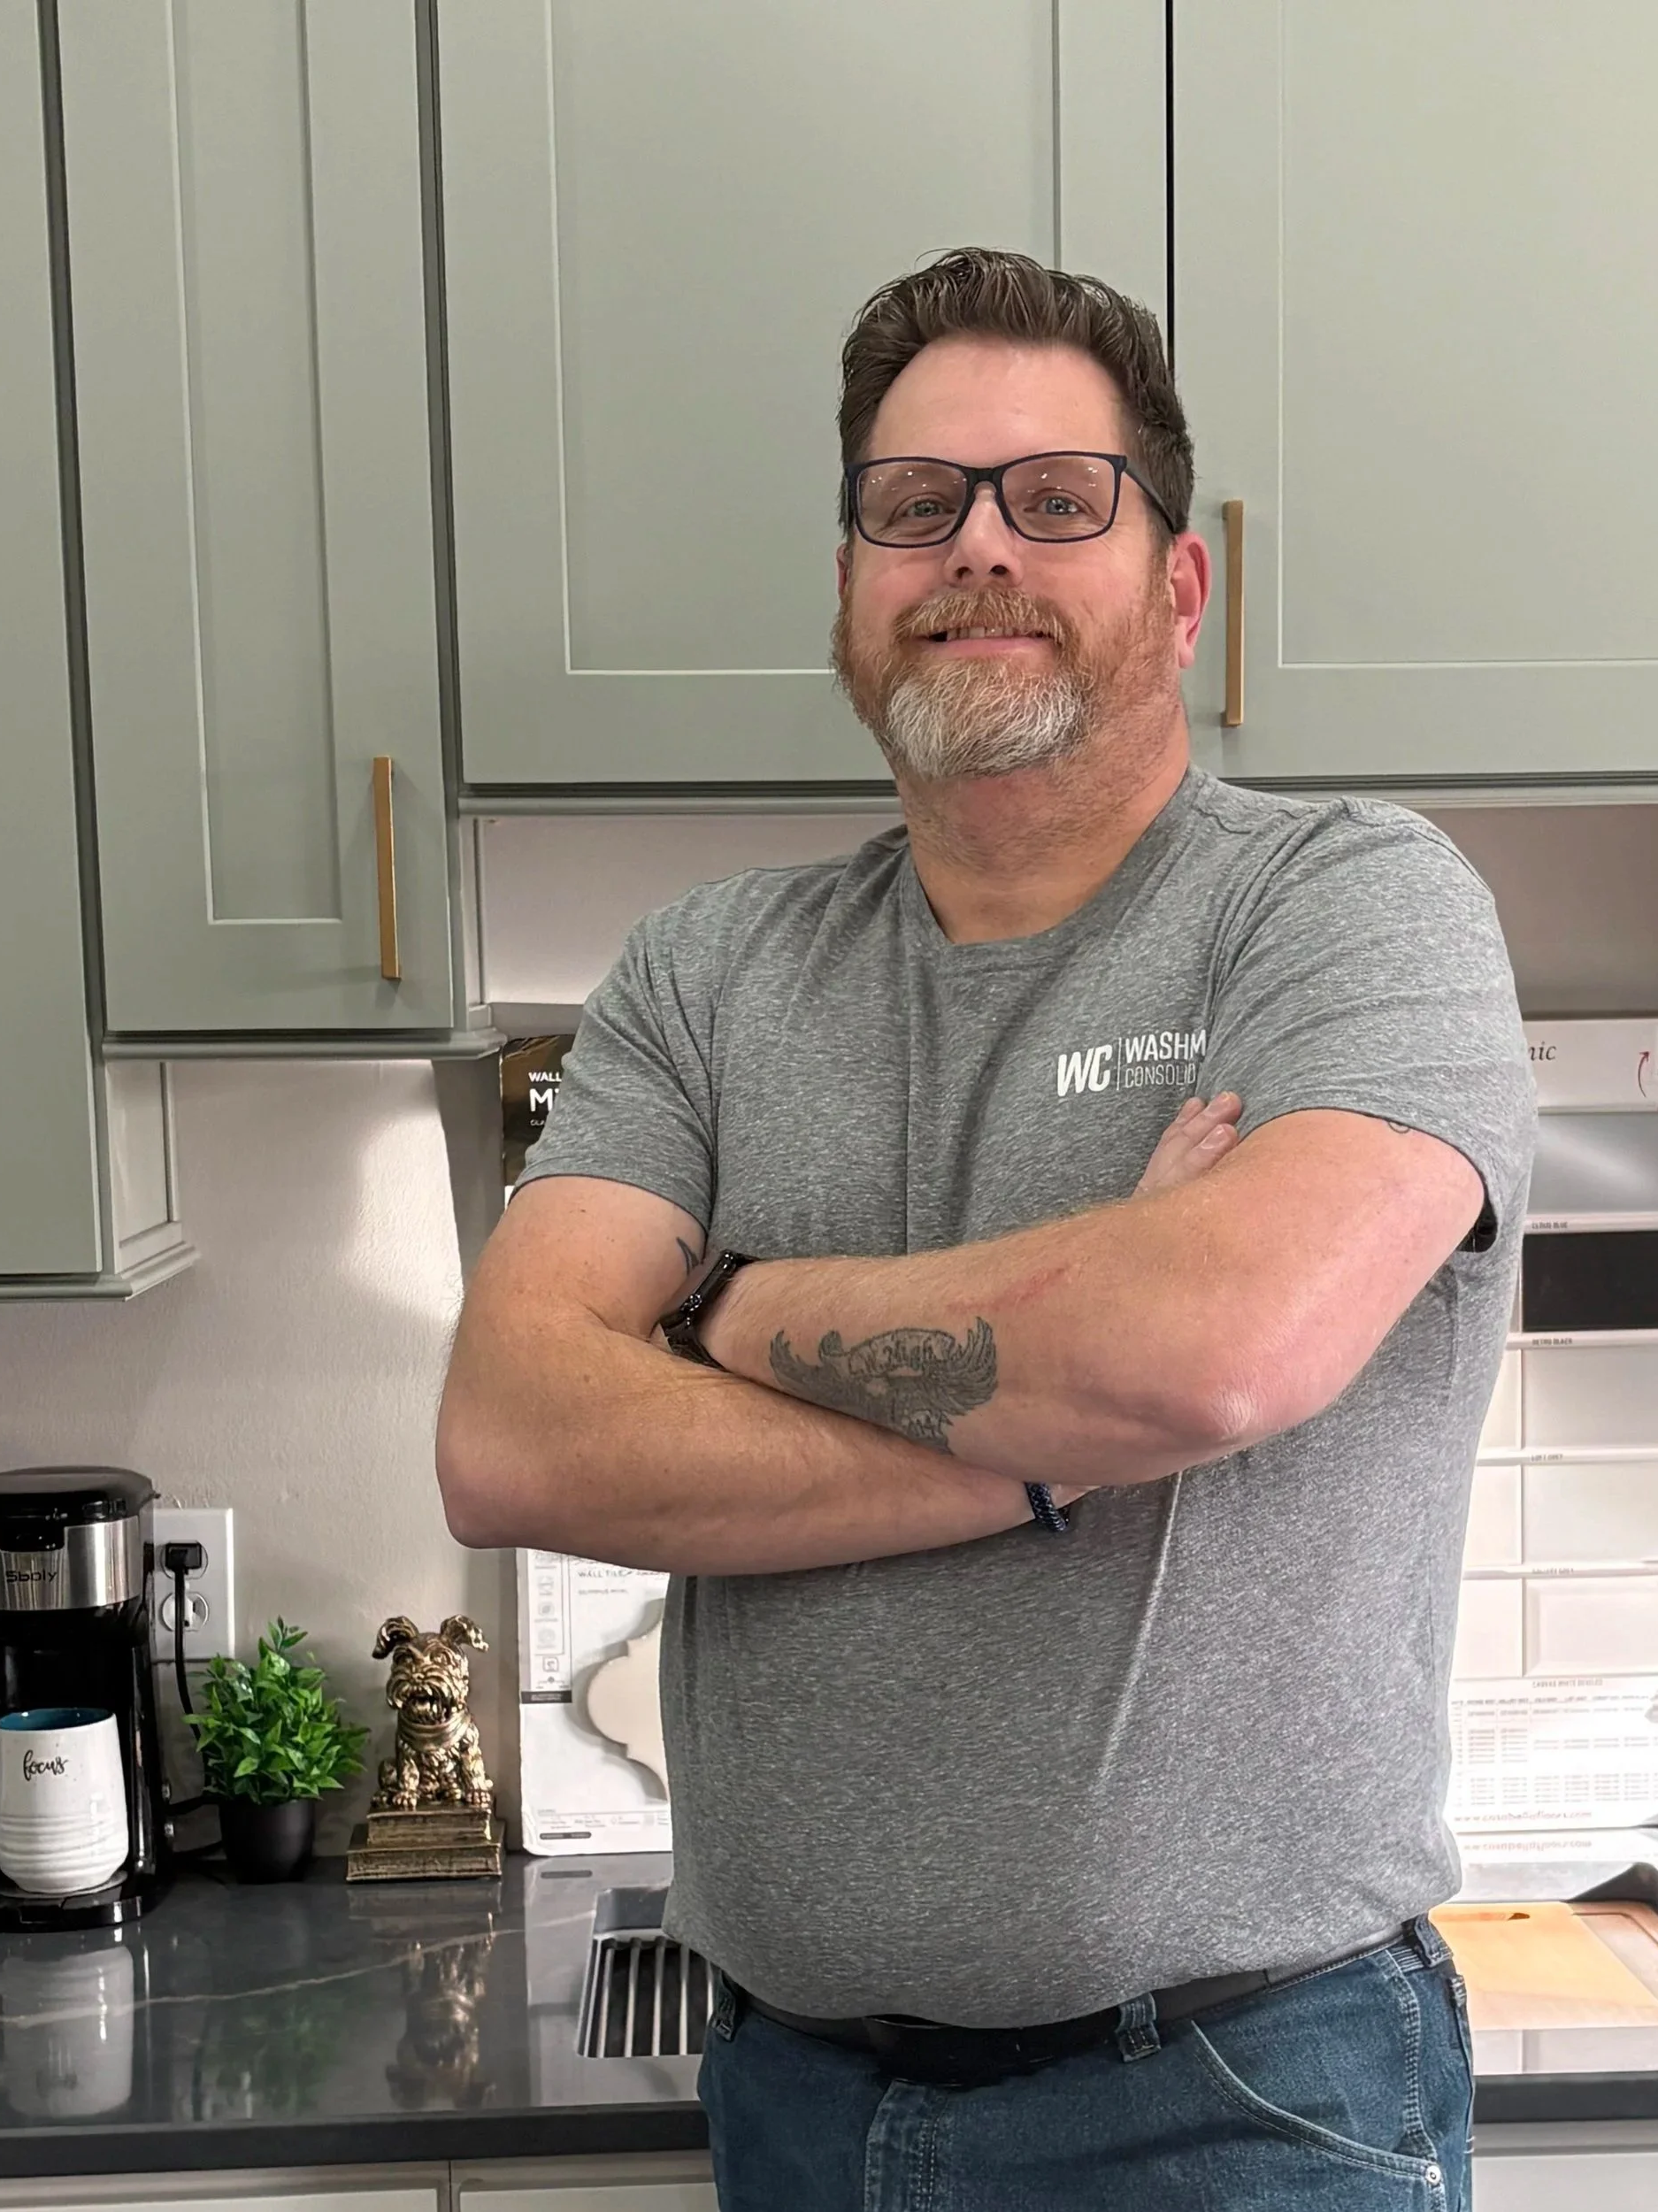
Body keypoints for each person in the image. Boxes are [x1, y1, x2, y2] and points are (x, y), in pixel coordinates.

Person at [436, 247, 1535, 2210]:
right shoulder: (704, 971)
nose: (975, 550)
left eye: (1054, 500)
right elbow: (513, 1430)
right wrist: (1049, 1449)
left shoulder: (1350, 906)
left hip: (1236, 2097)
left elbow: (1211, 1350)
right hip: (793, 2100)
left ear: (1176, 588)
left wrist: (723, 1301)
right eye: (911, 505)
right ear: (852, 593)